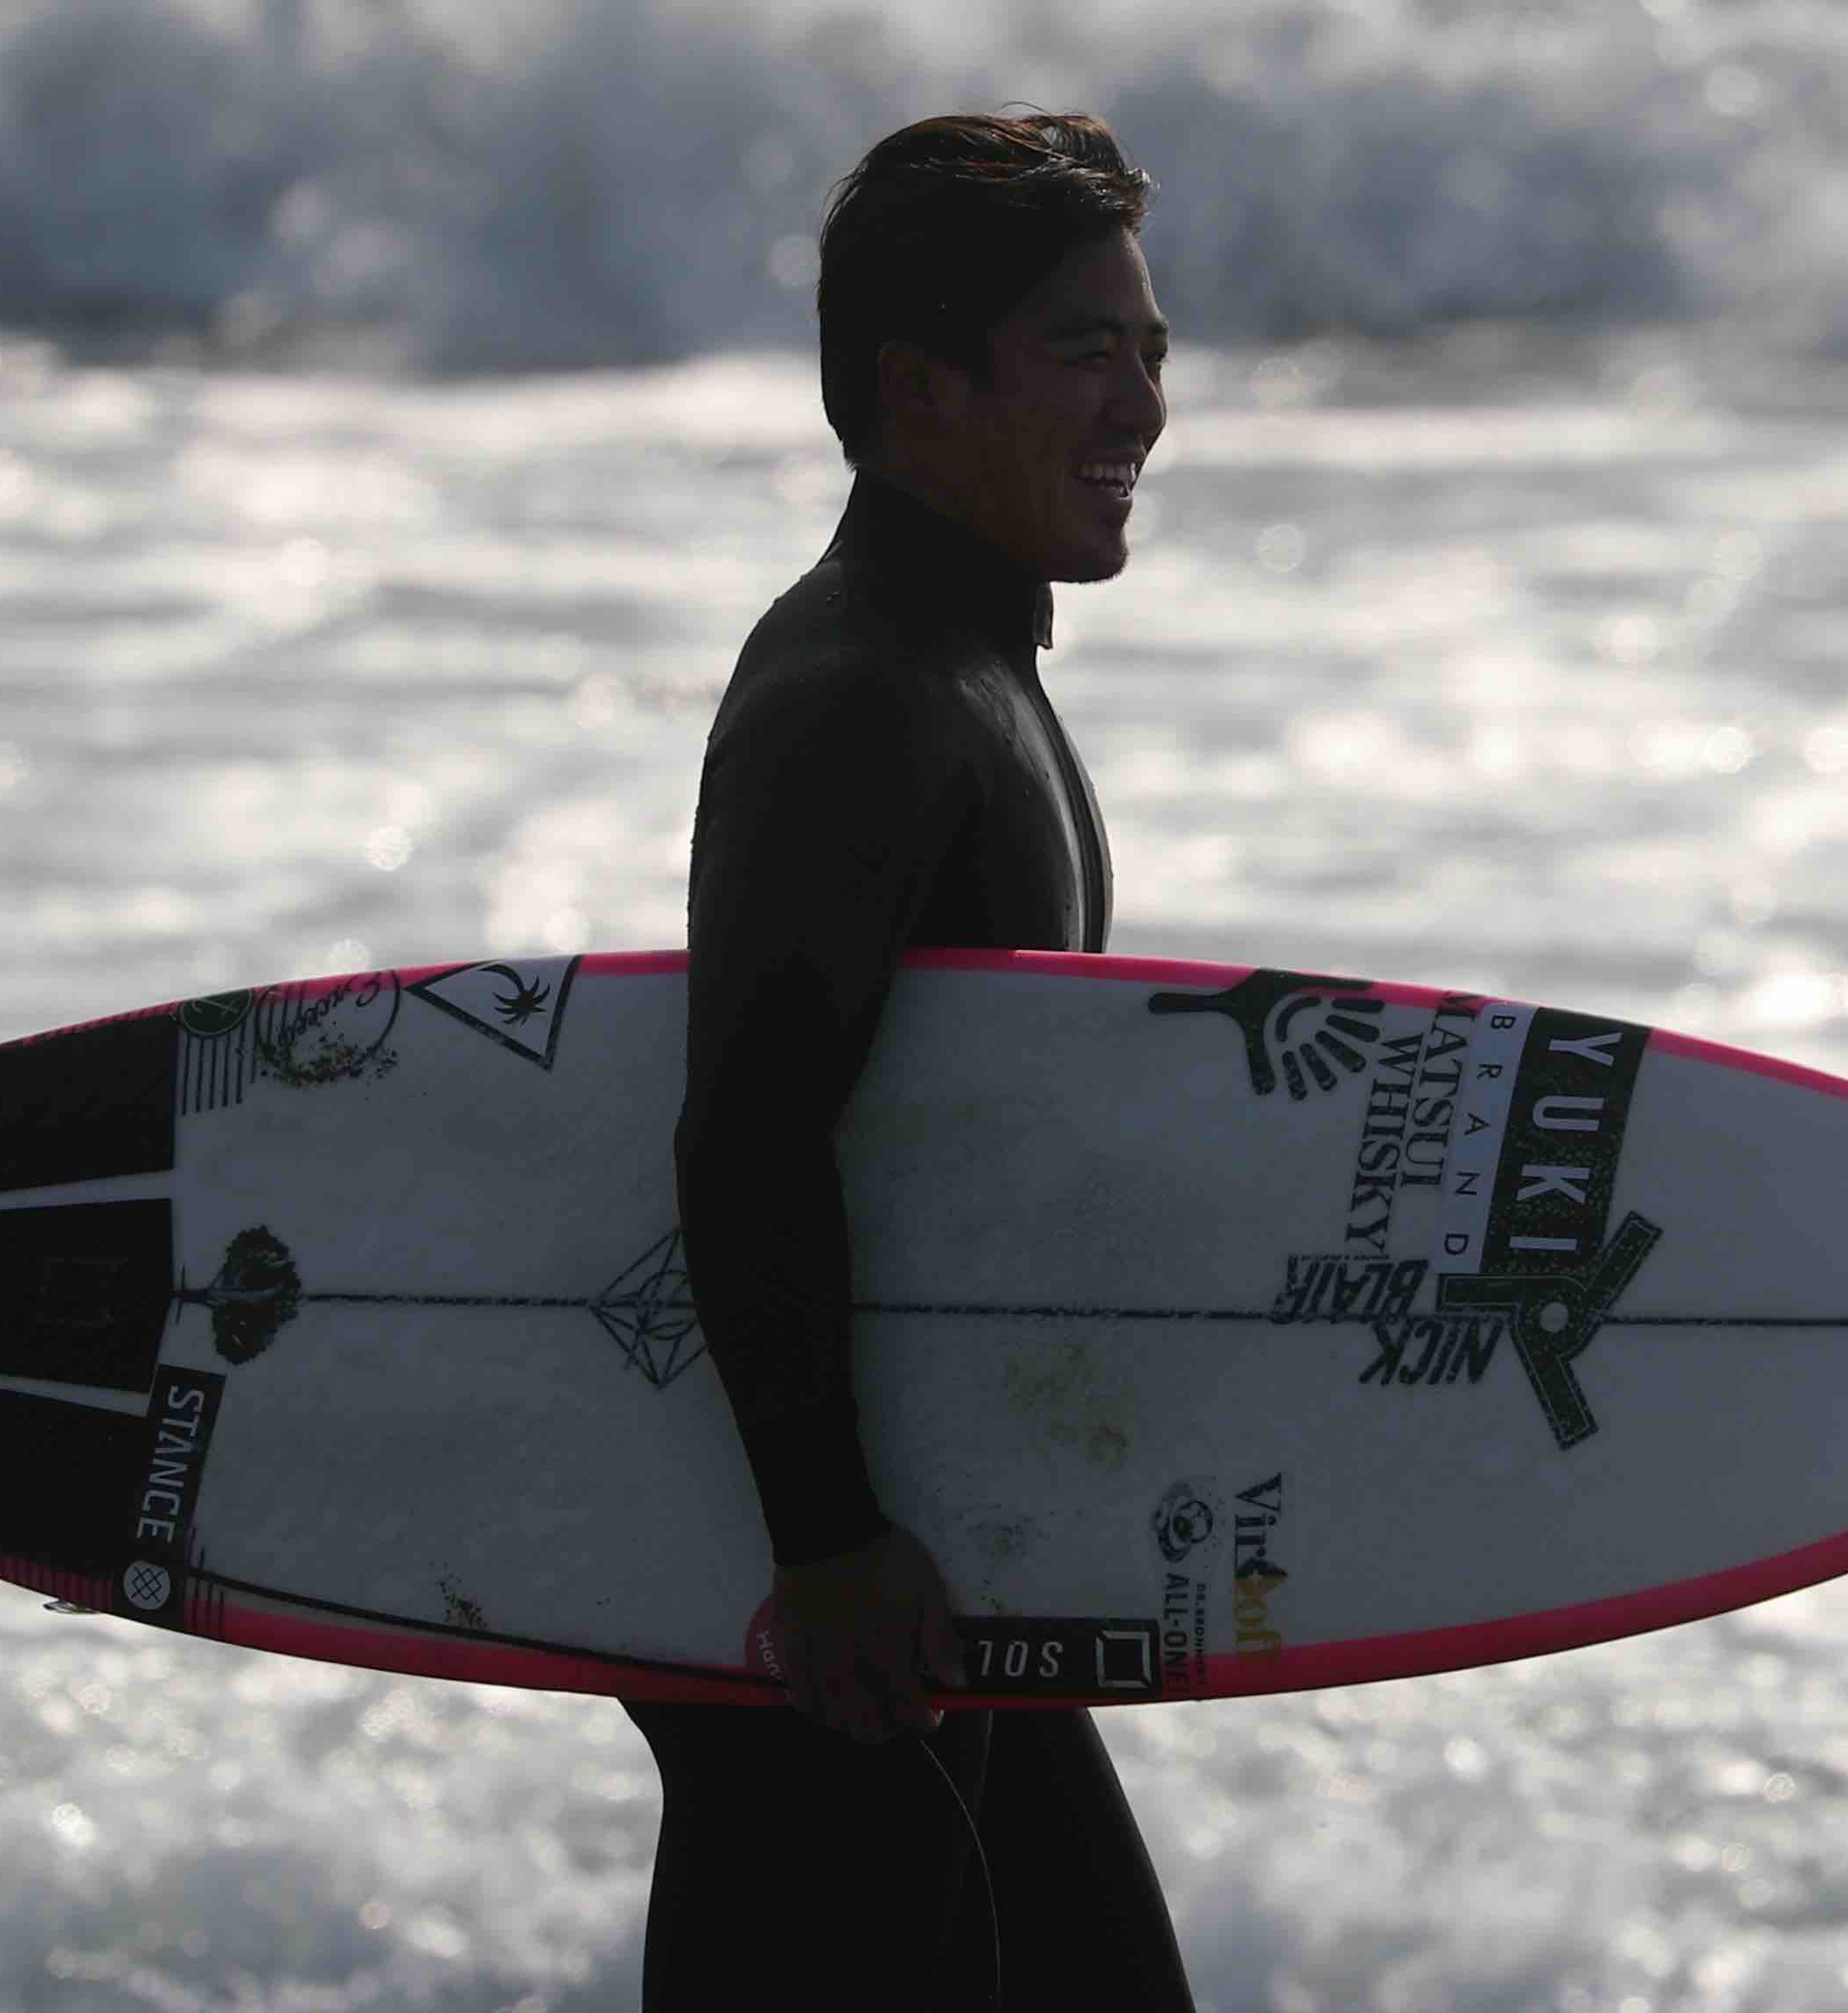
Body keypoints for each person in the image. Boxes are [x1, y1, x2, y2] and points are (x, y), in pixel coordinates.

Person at [633, 110, 1193, 2010]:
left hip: (929, 1558)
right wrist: (825, 1542)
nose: (1141, 408)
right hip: (842, 1597)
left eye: (1151, 352)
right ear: (917, 385)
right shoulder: (864, 700)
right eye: (1083, 352)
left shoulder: (967, 672)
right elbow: (748, 1129)